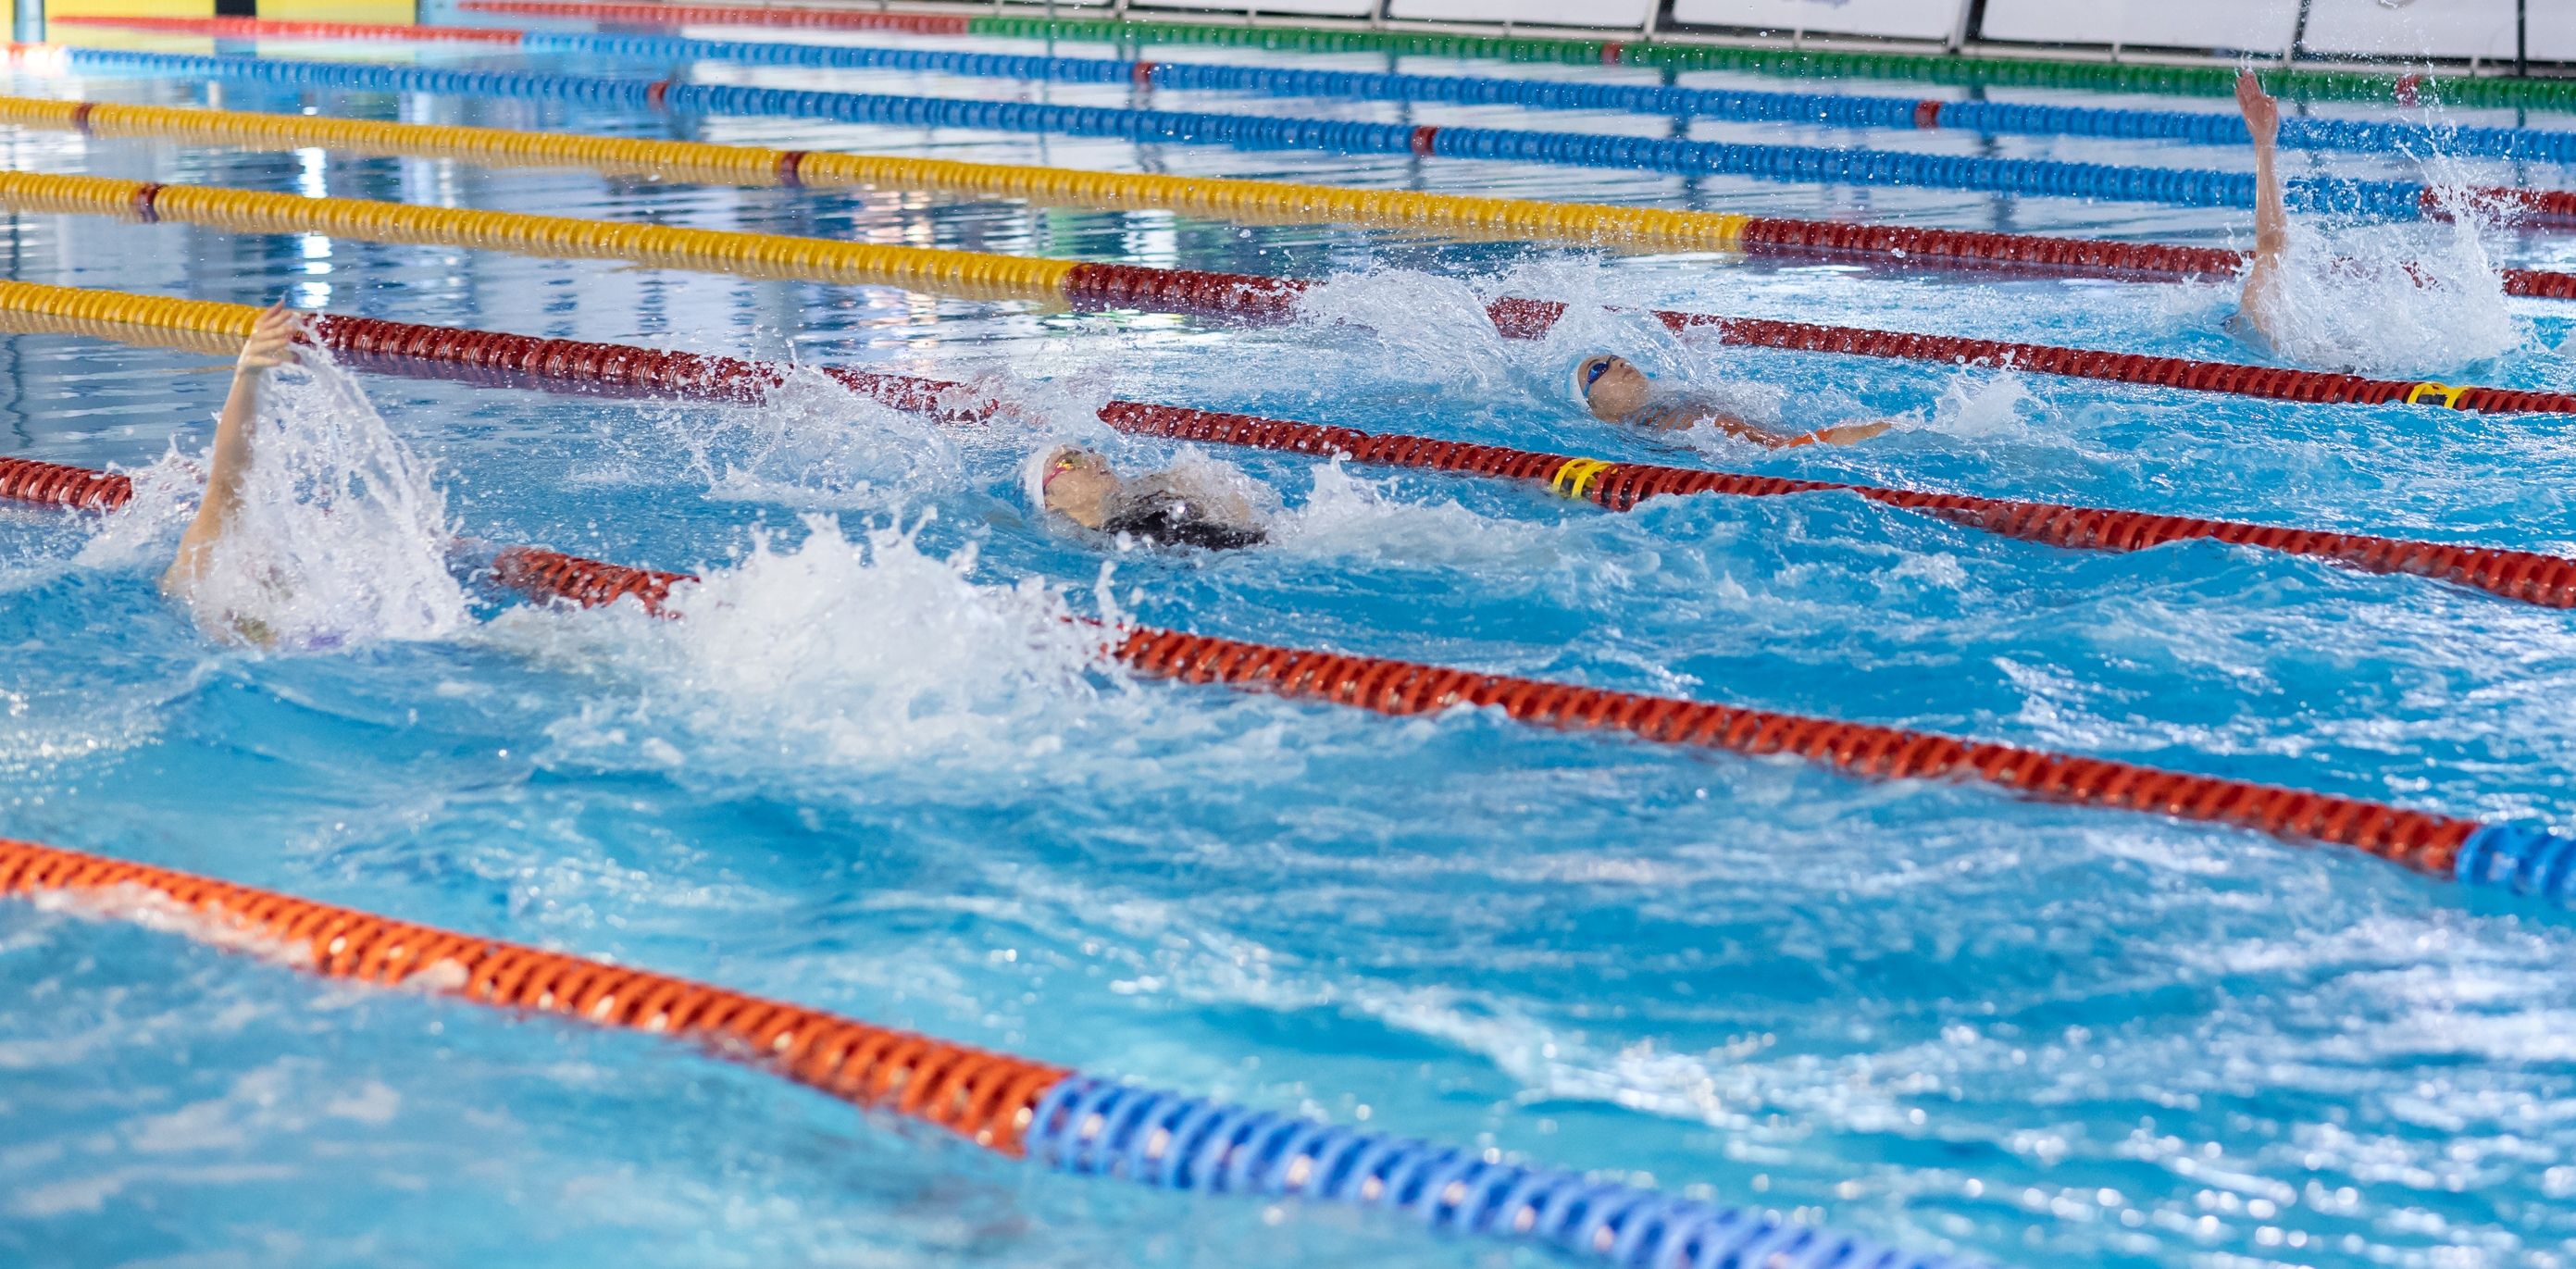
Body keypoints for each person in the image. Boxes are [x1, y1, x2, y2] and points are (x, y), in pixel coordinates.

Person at [161, 299, 303, 644]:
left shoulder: (195, 579)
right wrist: (247, 374)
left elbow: (226, 483)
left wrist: (247, 373)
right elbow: (227, 482)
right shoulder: (196, 574)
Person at [1571, 354, 1893, 447]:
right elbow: (1721, 425)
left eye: (1615, 358)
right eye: (1598, 369)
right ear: (1593, 407)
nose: (1618, 363)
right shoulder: (1633, 423)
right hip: (1767, 447)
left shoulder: (1670, 395)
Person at [1038, 445, 1267, 550]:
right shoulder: (1129, 533)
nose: (1097, 459)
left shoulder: (1143, 511)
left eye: (1089, 452)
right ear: (1050, 501)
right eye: (1070, 461)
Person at [2234, 69, 2292, 353]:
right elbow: (2272, 246)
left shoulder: (2250, 319)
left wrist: (2264, 143)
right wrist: (2264, 143)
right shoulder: (2256, 317)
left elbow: (2271, 246)